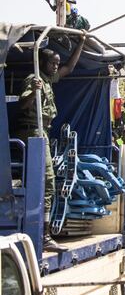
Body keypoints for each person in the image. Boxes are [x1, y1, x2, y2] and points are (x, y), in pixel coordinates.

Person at [16, 35, 86, 251]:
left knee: (46, 182)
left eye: (56, 63)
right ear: (42, 63)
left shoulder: (49, 79)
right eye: (52, 63)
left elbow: (69, 67)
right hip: (33, 131)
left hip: (43, 131)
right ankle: (44, 235)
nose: (56, 66)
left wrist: (82, 42)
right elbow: (23, 105)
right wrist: (34, 91)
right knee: (48, 183)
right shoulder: (34, 79)